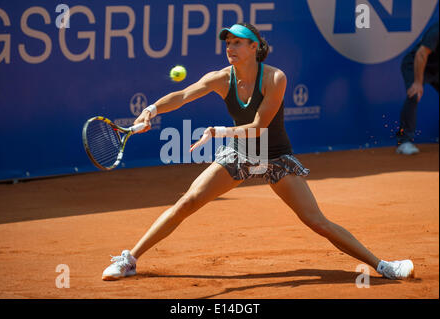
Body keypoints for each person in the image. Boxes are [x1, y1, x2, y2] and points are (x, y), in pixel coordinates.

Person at [102, 23, 414, 281]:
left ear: (255, 47)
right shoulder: (221, 78)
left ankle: (382, 265)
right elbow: (183, 95)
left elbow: (257, 127)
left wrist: (216, 132)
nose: (231, 48)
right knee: (187, 201)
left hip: (274, 156)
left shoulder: (275, 78)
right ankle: (130, 259)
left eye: (238, 43)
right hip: (239, 154)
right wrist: (152, 110)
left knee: (316, 221)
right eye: (228, 43)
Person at [396, 21, 439, 155]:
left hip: (437, 68)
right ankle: (404, 142)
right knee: (414, 94)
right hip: (416, 64)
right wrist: (418, 82)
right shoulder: (437, 30)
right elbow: (421, 54)